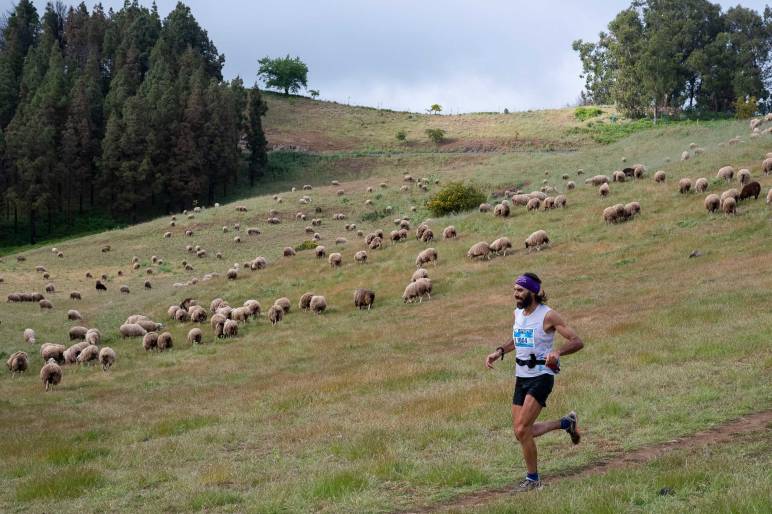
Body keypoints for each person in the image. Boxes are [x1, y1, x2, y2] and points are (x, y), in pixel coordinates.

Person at [485, 272, 584, 492]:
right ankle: (566, 423)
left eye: (520, 290)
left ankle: (533, 479)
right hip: (521, 378)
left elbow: (577, 341)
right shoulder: (518, 313)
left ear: (533, 292)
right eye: (514, 290)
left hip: (542, 376)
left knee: (522, 429)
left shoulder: (548, 316)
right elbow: (517, 337)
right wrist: (499, 351)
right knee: (520, 431)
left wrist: (557, 352)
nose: (515, 294)